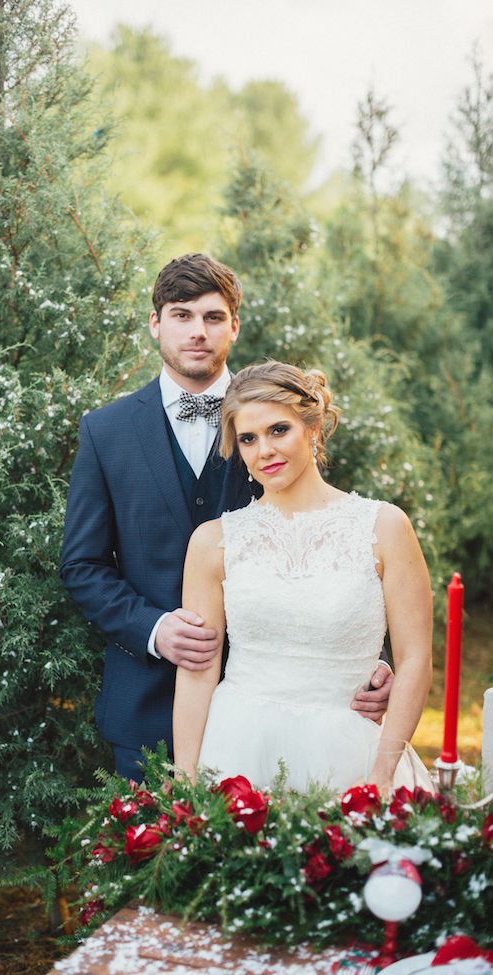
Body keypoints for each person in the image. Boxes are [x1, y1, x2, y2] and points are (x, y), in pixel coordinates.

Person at [61, 255, 393, 783]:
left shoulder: (279, 421)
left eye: (213, 317)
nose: (198, 331)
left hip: (281, 713)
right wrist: (154, 629)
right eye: (181, 315)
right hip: (145, 708)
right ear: (155, 323)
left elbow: (338, 543)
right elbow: (82, 564)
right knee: (160, 862)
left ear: (234, 326)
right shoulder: (107, 432)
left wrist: (371, 661)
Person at [173, 361, 433, 794]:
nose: (264, 452)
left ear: (312, 427)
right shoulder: (213, 542)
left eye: (279, 430)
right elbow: (198, 671)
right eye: (248, 439)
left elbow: (415, 661)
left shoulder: (384, 527)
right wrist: (185, 778)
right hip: (235, 749)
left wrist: (383, 774)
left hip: (352, 758)